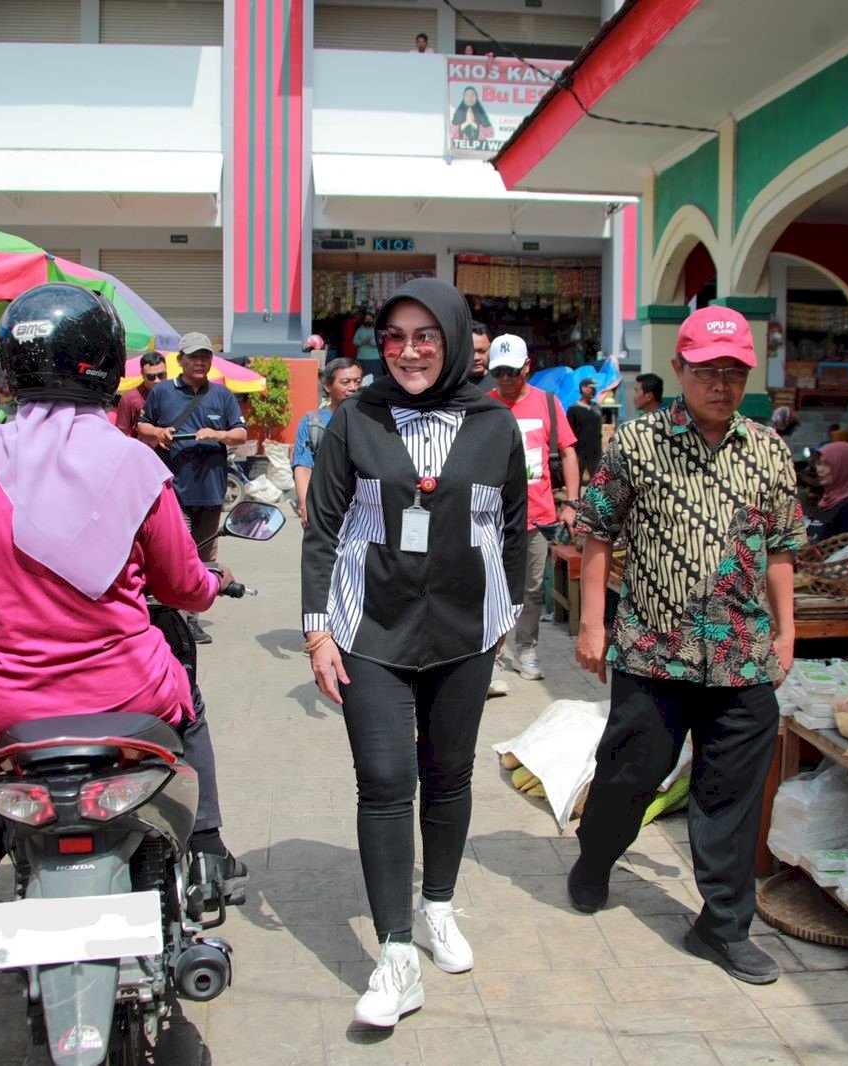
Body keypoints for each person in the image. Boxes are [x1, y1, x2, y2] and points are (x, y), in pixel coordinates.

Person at [0, 285, 239, 1065]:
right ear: (107, 365)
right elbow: (181, 585)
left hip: (5, 712)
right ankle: (209, 846)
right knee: (192, 703)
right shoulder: (135, 462)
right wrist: (214, 585)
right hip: (127, 701)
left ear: (11, 364)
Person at [302, 278, 526, 1029]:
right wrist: (315, 628)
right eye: (393, 337)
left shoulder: (494, 423)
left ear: (456, 338)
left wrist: (508, 612)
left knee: (450, 775)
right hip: (371, 628)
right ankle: (395, 955)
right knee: (385, 780)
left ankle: (436, 907)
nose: (408, 351)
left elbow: (516, 526)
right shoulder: (352, 420)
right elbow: (324, 528)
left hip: (466, 630)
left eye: (425, 335)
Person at [568, 305, 804, 986]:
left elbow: (782, 547)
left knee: (730, 798)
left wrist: (787, 632)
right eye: (708, 370)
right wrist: (591, 623)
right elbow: (598, 532)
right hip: (653, 653)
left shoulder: (767, 448)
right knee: (629, 776)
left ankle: (722, 926)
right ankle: (596, 857)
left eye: (734, 372)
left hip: (742, 656)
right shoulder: (637, 443)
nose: (721, 384)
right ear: (680, 370)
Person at [137, 333, 248, 646]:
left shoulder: (223, 395)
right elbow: (142, 428)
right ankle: (171, 617)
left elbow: (240, 434)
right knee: (177, 554)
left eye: (205, 356)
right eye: (193, 357)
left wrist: (218, 434)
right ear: (179, 361)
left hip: (212, 493)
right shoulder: (161, 393)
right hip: (175, 493)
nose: (200, 362)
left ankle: (193, 619)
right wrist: (159, 432)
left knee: (204, 558)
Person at [489, 333, 579, 683]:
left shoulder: (547, 403)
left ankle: (525, 646)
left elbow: (568, 450)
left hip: (539, 516)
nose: (507, 379)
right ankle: (493, 653)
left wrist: (571, 503)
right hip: (492, 517)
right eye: (500, 372)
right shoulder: (484, 405)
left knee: (531, 589)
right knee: (493, 589)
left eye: (513, 370)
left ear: (528, 367)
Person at [292, 357, 364, 525]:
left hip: (364, 509)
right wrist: (305, 505)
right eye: (345, 382)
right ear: (328, 386)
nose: (353, 388)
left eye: (357, 382)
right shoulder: (312, 423)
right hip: (325, 508)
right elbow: (303, 468)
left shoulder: (371, 420)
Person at [806, 441, 848, 541]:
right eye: (819, 463)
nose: (820, 470)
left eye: (827, 464)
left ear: (845, 468)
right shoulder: (827, 501)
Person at [116, 350, 167, 440]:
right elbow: (121, 434)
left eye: (161, 375)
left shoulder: (177, 392)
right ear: (142, 374)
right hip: (144, 450)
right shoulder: (129, 398)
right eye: (151, 377)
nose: (157, 381)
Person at [567, 377, 604, 483]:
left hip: (595, 452)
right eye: (591, 388)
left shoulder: (597, 407)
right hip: (579, 452)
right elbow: (570, 432)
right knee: (576, 481)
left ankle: (596, 500)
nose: (594, 391)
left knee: (598, 483)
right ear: (583, 388)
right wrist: (573, 453)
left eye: (595, 389)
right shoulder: (574, 409)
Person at [353, 309, 381, 380]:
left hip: (374, 360)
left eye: (369, 319)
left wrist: (370, 342)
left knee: (375, 380)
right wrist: (362, 342)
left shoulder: (376, 331)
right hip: (361, 359)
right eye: (366, 319)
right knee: (362, 379)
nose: (367, 320)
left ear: (373, 320)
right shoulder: (360, 330)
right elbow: (355, 341)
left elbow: (380, 343)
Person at [467, 322, 493, 391]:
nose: (476, 357)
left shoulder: (502, 385)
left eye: (482, 351)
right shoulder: (451, 386)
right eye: (471, 352)